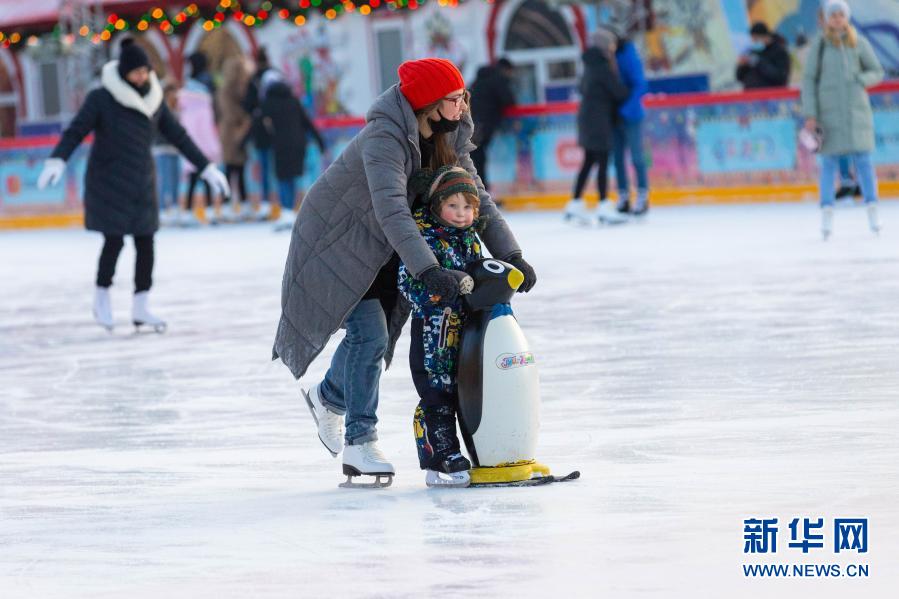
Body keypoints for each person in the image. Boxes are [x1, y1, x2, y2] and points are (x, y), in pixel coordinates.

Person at [271, 58, 536, 486]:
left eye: (463, 96)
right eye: (454, 98)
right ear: (429, 102)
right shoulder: (385, 136)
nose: (463, 105)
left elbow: (475, 198)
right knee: (369, 334)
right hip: (338, 242)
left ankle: (328, 397)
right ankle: (360, 442)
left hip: (387, 246)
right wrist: (428, 269)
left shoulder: (449, 134)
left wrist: (512, 254)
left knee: (376, 339)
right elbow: (391, 209)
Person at [36, 39, 230, 331]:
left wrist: (206, 167)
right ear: (124, 72)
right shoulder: (102, 98)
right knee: (113, 240)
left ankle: (141, 305)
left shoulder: (154, 99)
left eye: (144, 71)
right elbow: (77, 130)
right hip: (108, 180)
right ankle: (101, 296)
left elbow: (179, 136)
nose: (141, 76)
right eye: (135, 72)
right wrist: (58, 159)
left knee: (146, 241)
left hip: (141, 179)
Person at [399, 166, 483, 487]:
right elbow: (409, 285)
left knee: (465, 394)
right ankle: (442, 457)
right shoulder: (424, 240)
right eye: (453, 206)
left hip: (466, 335)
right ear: (437, 206)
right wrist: (443, 284)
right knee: (438, 394)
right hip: (433, 336)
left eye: (467, 207)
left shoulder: (469, 239)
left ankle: (476, 450)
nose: (461, 214)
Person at [801, 0, 884, 240]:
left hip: (857, 112)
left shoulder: (858, 43)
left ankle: (873, 210)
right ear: (826, 19)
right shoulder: (820, 45)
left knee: (864, 162)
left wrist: (861, 80)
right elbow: (809, 80)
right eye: (832, 15)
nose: (837, 19)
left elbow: (876, 71)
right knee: (828, 164)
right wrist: (811, 114)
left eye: (841, 14)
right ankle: (827, 212)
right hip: (829, 115)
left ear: (847, 17)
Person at [564, 29, 629, 226]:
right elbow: (618, 93)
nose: (612, 49)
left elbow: (583, 89)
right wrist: (629, 89)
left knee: (589, 161)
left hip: (588, 119)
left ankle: (575, 202)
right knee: (601, 161)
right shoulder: (602, 67)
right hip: (598, 120)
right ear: (604, 46)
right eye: (610, 46)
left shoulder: (589, 66)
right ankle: (603, 204)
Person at [262, 80, 325, 231]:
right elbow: (307, 123)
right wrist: (320, 141)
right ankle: (299, 211)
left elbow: (261, 125)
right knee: (297, 177)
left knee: (283, 178)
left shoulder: (269, 104)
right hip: (298, 145)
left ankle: (287, 210)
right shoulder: (294, 101)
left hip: (280, 146)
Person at [609, 24, 650, 216]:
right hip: (614, 117)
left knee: (636, 157)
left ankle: (642, 195)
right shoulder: (607, 57)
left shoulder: (628, 55)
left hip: (631, 115)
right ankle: (623, 196)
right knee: (617, 159)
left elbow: (640, 84)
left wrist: (625, 110)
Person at [180, 51, 223, 224]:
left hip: (191, 146)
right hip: (204, 146)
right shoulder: (207, 93)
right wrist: (214, 147)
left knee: (192, 180)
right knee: (207, 178)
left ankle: (189, 212)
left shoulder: (187, 93)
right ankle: (211, 210)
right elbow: (207, 127)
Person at [469, 57, 516, 196]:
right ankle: (481, 191)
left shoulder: (478, 80)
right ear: (506, 70)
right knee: (478, 155)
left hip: (471, 121)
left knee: (475, 155)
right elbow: (509, 100)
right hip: (484, 122)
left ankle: (479, 189)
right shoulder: (498, 79)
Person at [217, 56, 252, 220]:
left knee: (240, 169)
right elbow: (229, 111)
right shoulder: (226, 90)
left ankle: (243, 203)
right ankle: (226, 203)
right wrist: (245, 118)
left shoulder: (244, 88)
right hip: (231, 132)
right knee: (231, 169)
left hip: (240, 132)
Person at [242, 48, 276, 215]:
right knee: (278, 167)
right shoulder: (276, 76)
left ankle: (266, 202)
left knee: (264, 166)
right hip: (278, 129)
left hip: (260, 131)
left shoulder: (254, 80)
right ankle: (281, 203)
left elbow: (247, 104)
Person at [153, 80, 181, 226]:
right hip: (162, 149)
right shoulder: (160, 109)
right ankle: (163, 209)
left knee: (175, 180)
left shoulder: (178, 110)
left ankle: (175, 207)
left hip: (175, 150)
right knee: (165, 180)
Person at [736, 22, 791, 90]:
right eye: (752, 40)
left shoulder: (780, 52)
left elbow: (780, 77)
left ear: (765, 36)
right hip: (751, 96)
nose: (754, 42)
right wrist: (742, 66)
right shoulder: (753, 51)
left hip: (772, 96)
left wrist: (758, 62)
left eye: (756, 39)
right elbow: (739, 77)